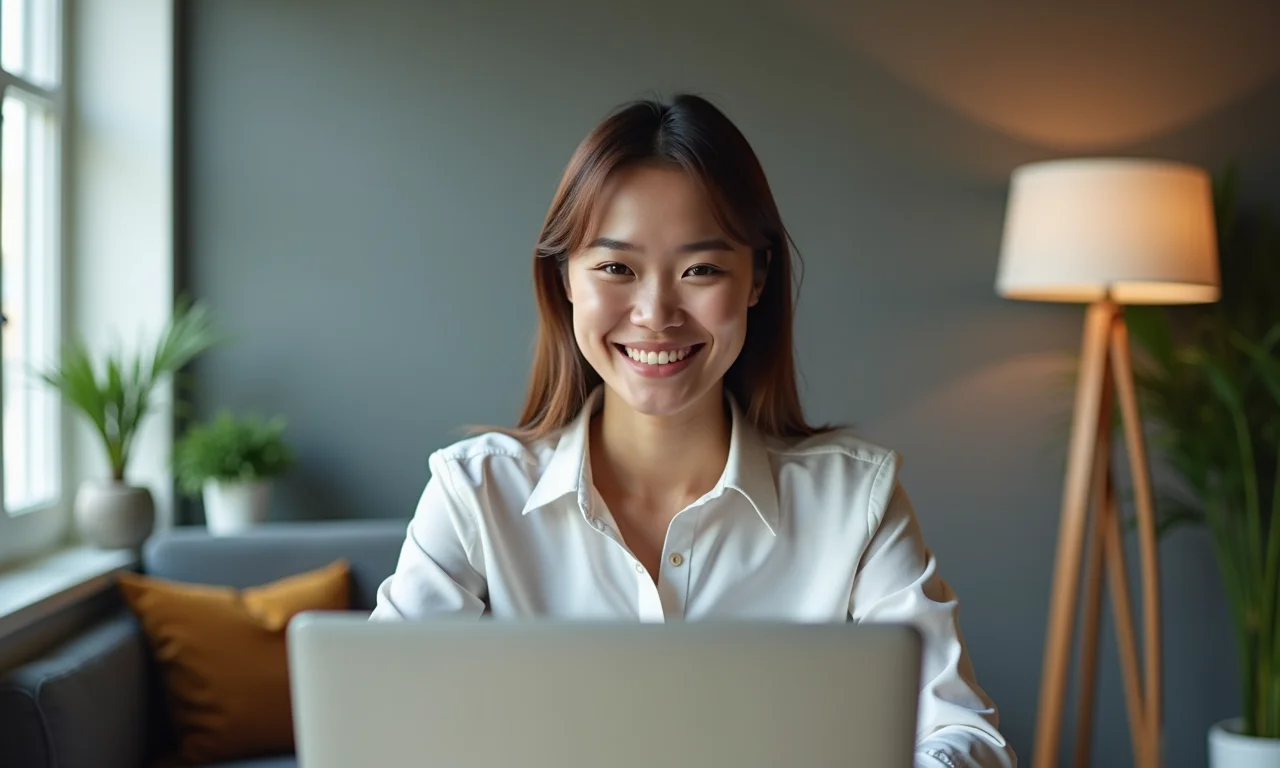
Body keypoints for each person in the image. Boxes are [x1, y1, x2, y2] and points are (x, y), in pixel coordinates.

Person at [370, 93, 1016, 768]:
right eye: (616, 268)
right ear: (565, 280)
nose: (656, 314)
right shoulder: (475, 492)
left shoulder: (857, 500)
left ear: (756, 279)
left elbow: (962, 734)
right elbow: (375, 726)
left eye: (701, 270)